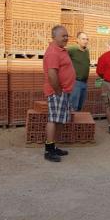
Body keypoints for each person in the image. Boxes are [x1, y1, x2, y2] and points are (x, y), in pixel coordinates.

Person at [42, 25, 76, 162]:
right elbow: (52, 74)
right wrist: (58, 91)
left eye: (67, 35)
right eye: (63, 36)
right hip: (57, 91)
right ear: (54, 37)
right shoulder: (53, 52)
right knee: (53, 120)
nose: (66, 38)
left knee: (60, 120)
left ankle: (53, 146)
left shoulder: (61, 50)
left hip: (64, 91)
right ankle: (49, 150)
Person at [67, 31, 90, 111]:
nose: (85, 41)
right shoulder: (72, 49)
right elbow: (61, 56)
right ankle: (70, 123)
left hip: (84, 82)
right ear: (77, 40)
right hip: (75, 82)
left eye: (87, 39)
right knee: (73, 107)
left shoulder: (86, 51)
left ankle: (76, 123)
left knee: (79, 107)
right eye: (83, 39)